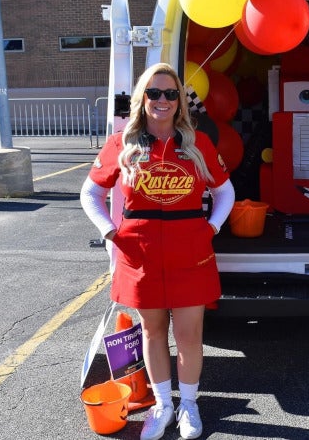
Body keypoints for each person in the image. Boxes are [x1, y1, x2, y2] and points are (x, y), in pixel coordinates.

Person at [80, 62, 235, 440]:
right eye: (154, 93)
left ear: (180, 101)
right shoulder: (122, 143)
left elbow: (224, 191)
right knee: (152, 330)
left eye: (170, 94)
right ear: (142, 99)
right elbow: (91, 193)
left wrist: (211, 227)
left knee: (189, 334)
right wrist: (110, 231)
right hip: (140, 253)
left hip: (190, 253)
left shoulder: (197, 143)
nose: (162, 100)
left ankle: (189, 405)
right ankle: (163, 404)